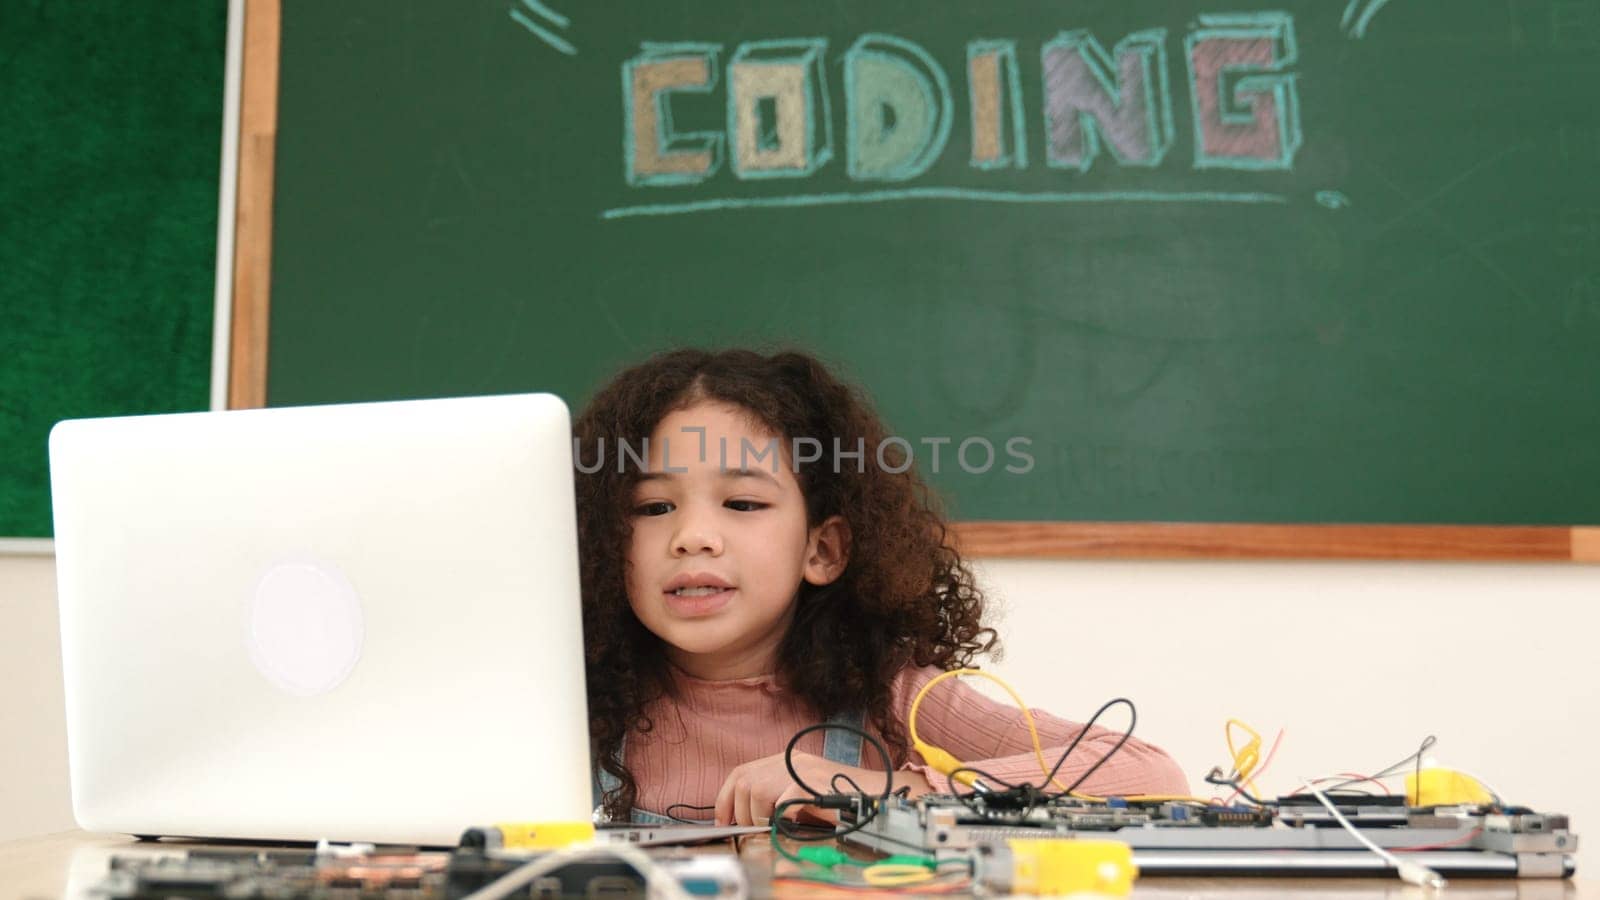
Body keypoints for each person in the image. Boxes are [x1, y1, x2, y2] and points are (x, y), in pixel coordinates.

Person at [573, 348, 1188, 826]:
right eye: (652, 507)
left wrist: (893, 789)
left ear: (822, 550)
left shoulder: (891, 699)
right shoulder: (571, 708)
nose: (692, 537)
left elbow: (1147, 773)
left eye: (742, 501)